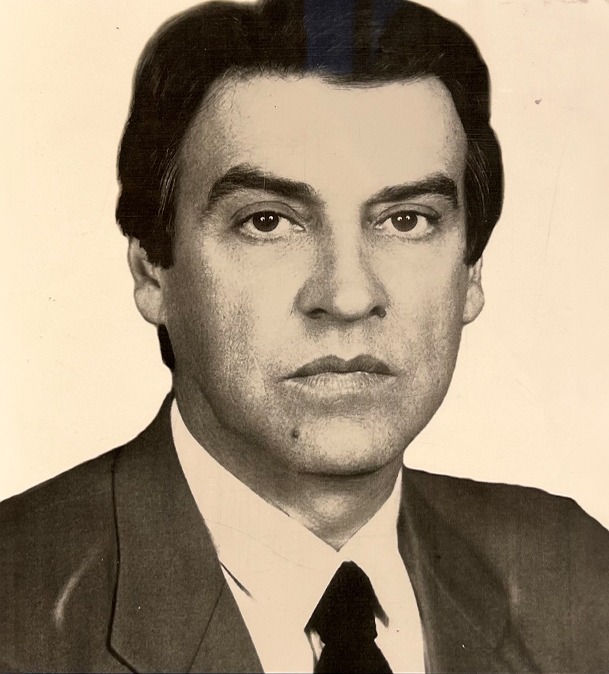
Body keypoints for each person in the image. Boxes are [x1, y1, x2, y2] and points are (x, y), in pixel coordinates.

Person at [1, 0, 608, 672]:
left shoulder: (575, 574)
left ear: (470, 273)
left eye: (406, 220)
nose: (347, 297)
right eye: (267, 222)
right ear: (152, 272)